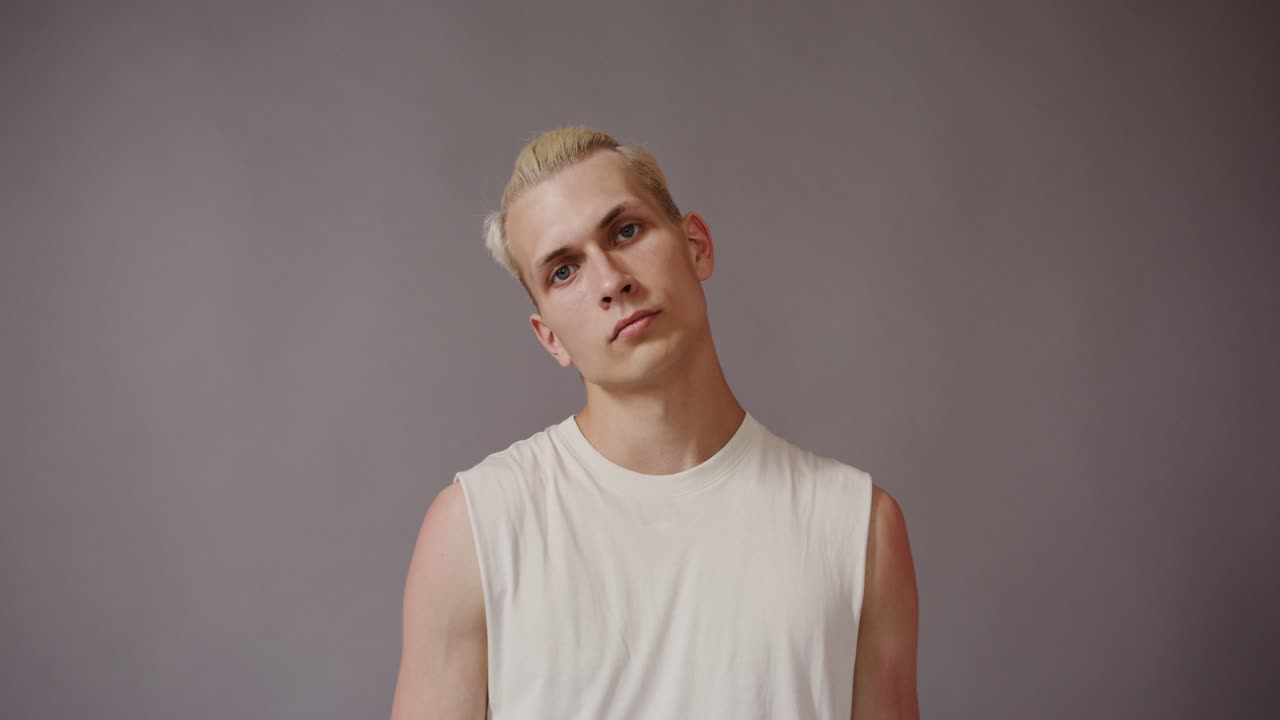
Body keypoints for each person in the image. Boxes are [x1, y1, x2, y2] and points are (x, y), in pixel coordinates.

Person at [390, 127, 920, 719]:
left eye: (625, 231)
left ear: (696, 245)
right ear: (549, 338)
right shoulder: (474, 531)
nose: (611, 280)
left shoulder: (858, 527)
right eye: (564, 271)